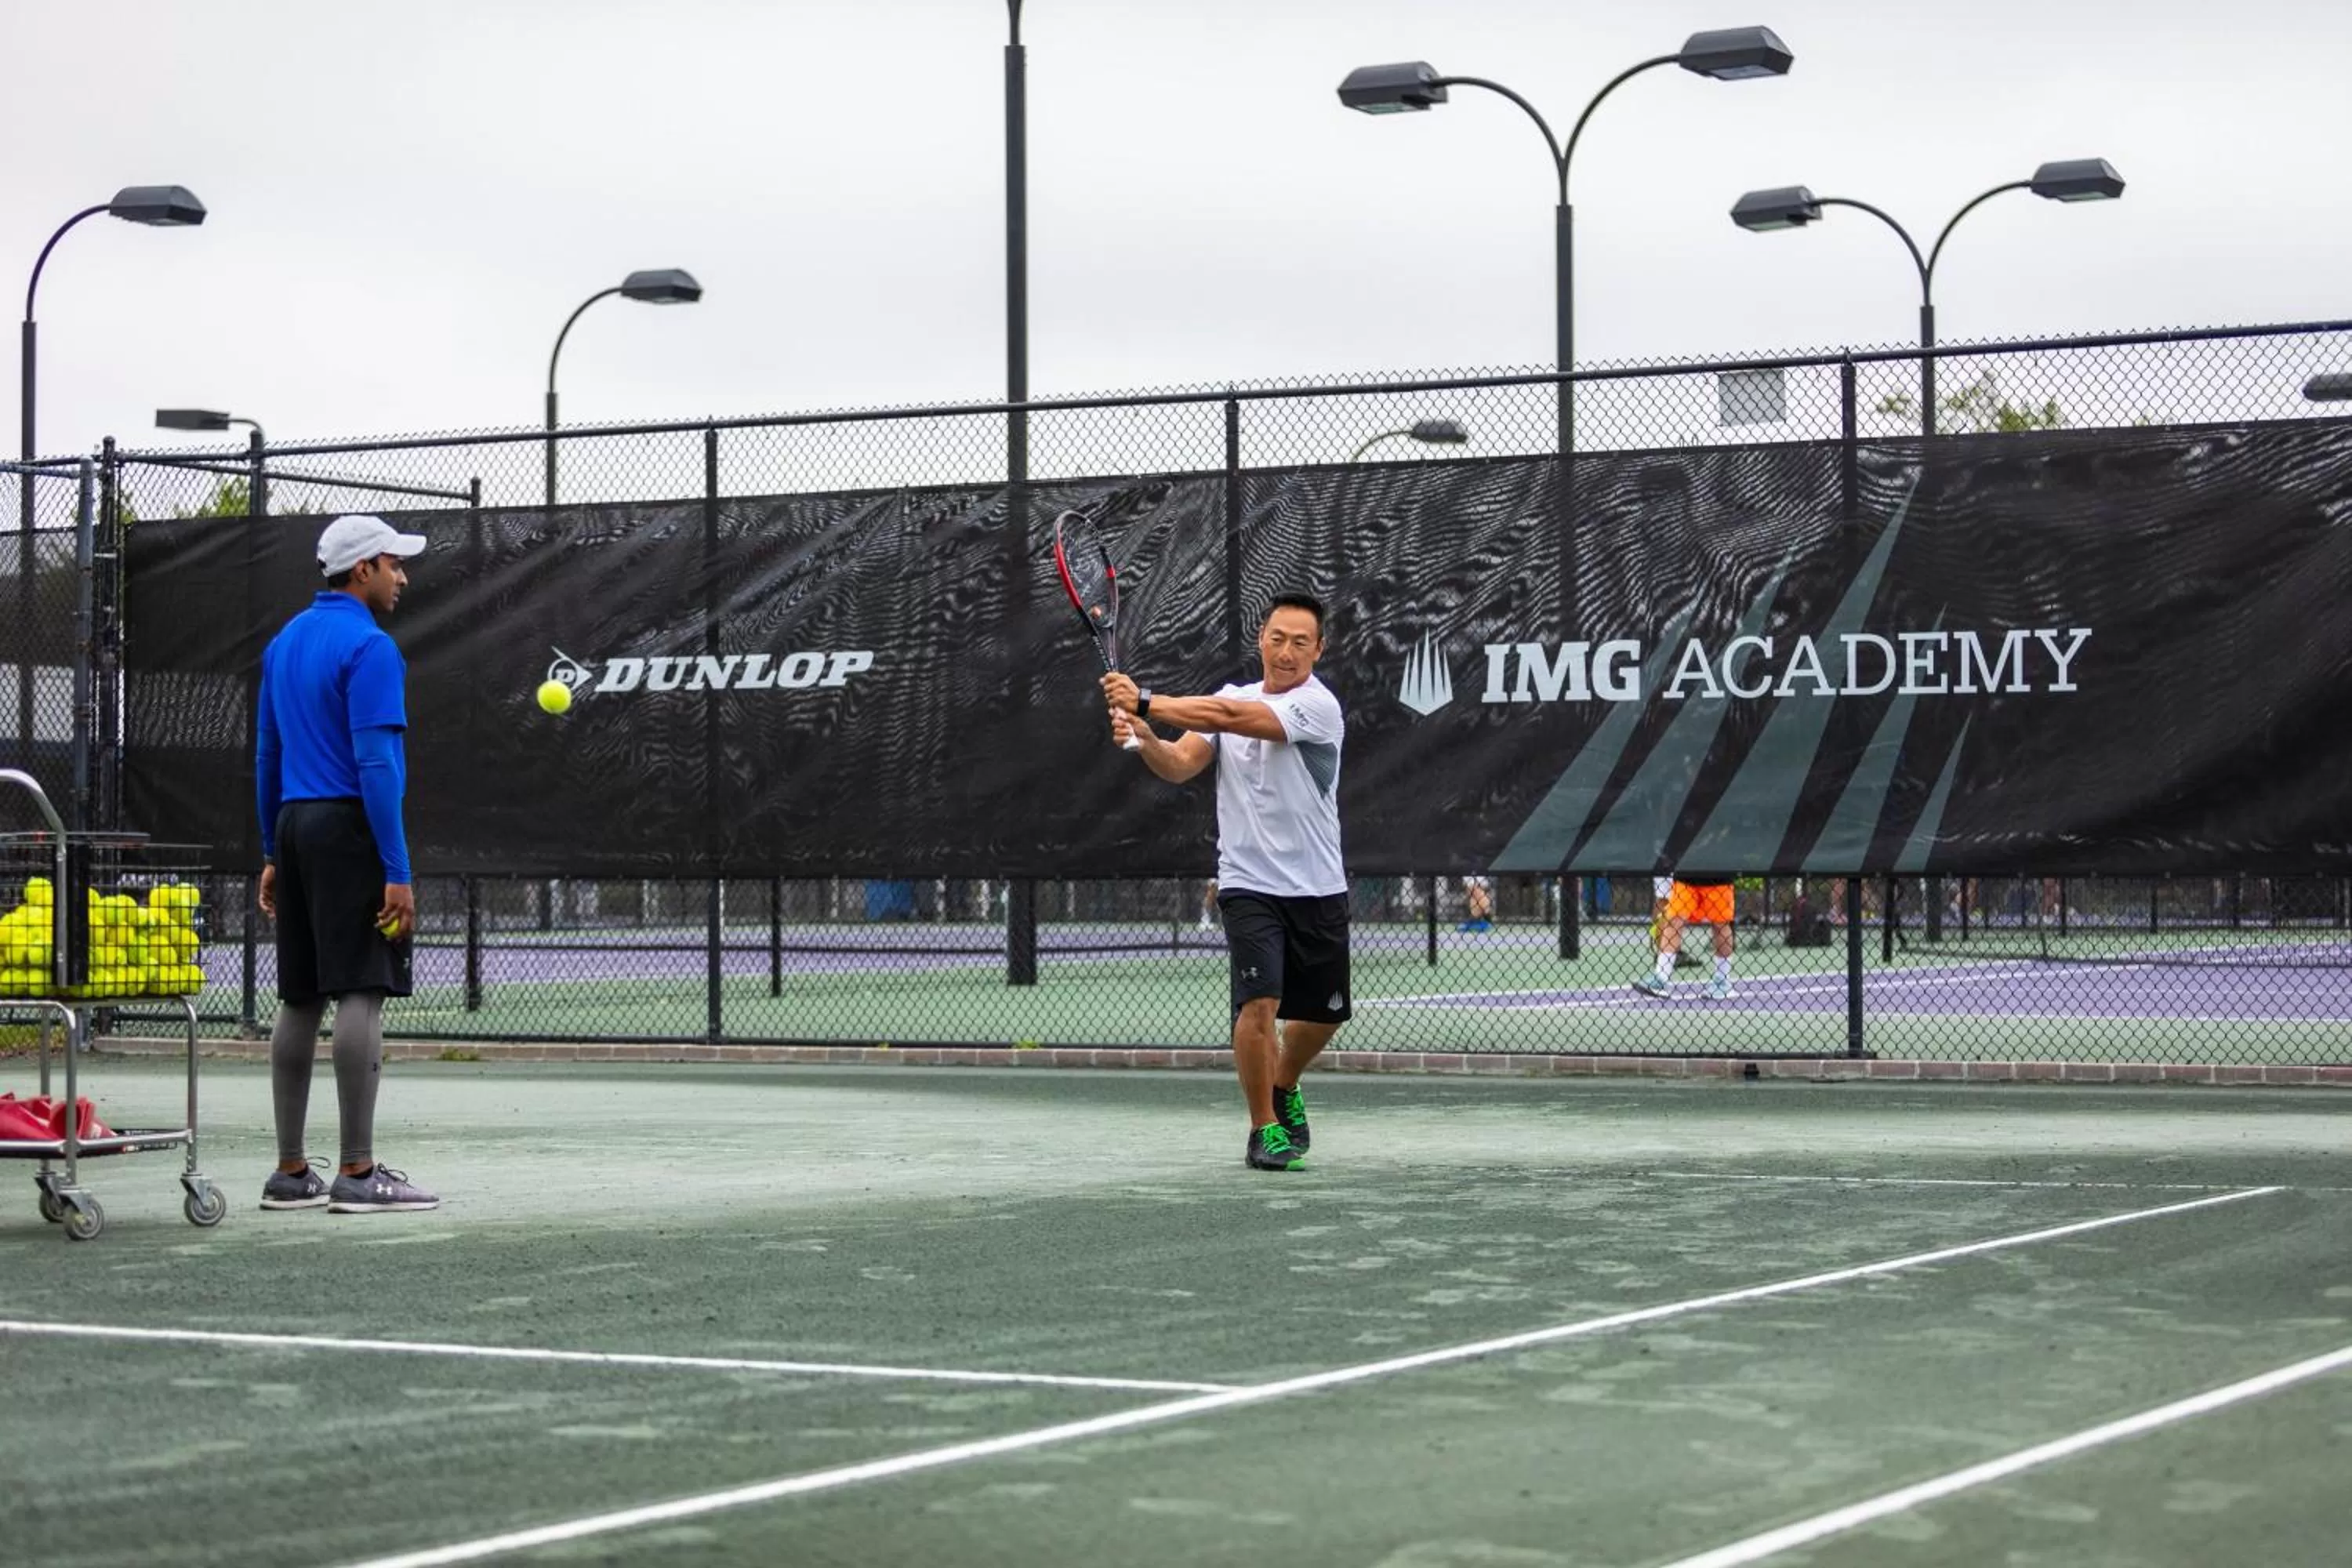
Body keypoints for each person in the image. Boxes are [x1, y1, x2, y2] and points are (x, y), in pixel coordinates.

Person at [1102, 593, 1347, 1172]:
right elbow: (1180, 763)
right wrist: (1146, 737)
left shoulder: (1319, 707)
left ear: (1318, 649)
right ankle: (1264, 1128)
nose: (1286, 652)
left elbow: (1232, 719)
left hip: (1318, 884)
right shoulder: (1230, 695)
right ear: (1261, 638)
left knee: (1326, 1014)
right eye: (1277, 638)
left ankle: (1284, 1083)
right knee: (1259, 1003)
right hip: (1247, 883)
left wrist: (1145, 700)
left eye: (1300, 642)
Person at [253, 516, 439, 1214]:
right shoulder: (371, 647)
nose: (402, 577)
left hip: (295, 827)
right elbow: (376, 765)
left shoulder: (283, 643)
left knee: (301, 995)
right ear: (363, 570)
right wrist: (398, 870)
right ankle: (358, 1173)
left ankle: (290, 1172)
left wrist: (272, 850)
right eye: (394, 564)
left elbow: (268, 758)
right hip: (346, 829)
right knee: (361, 986)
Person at [1635, 873, 1737, 1000]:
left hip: (1718, 878)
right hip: (1685, 877)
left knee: (1720, 925)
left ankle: (1723, 981)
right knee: (1674, 920)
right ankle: (1661, 979)